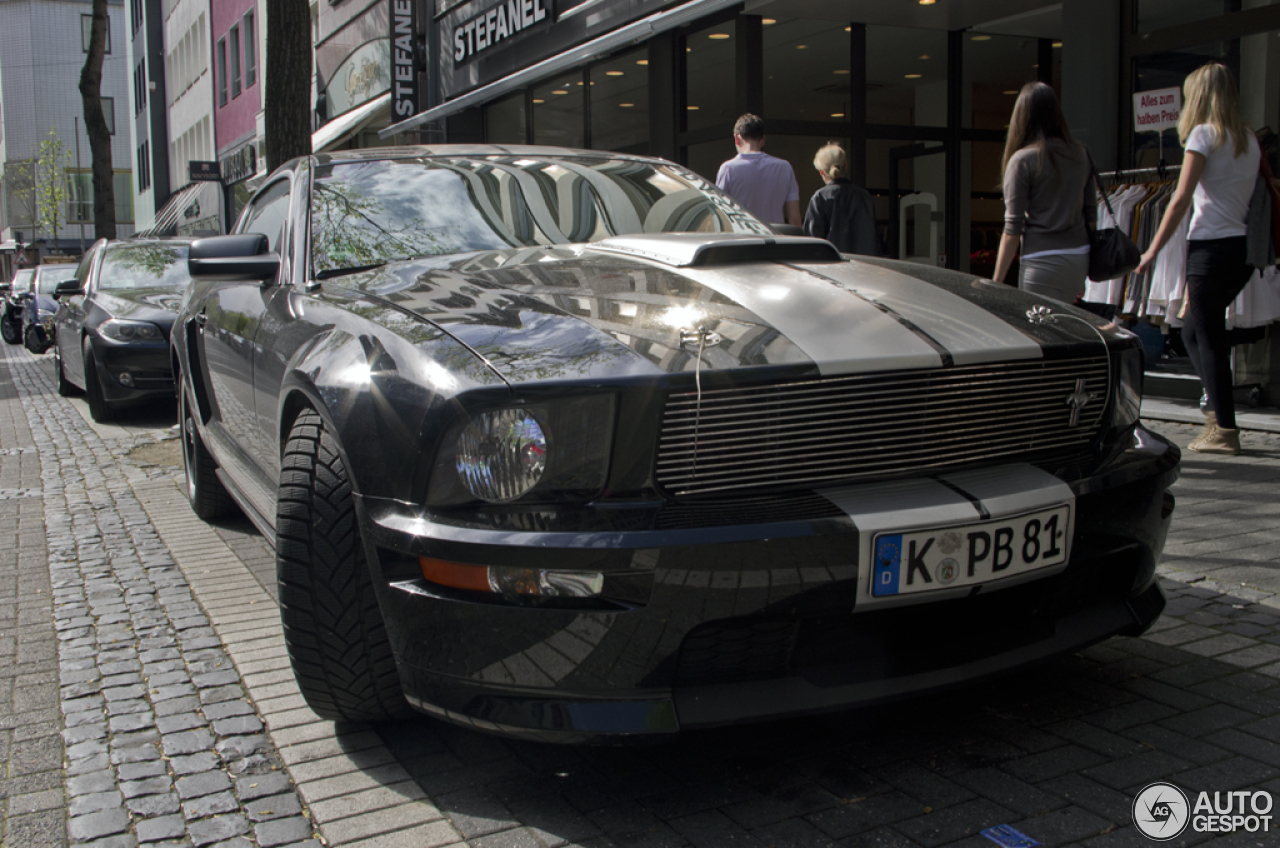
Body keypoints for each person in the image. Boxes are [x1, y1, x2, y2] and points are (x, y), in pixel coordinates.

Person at [1134, 63, 1259, 456]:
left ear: (1199, 97)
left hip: (1210, 248)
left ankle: (1224, 428)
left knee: (1207, 337)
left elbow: (1180, 199)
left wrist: (1152, 249)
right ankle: (1216, 418)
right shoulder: (1248, 140)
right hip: (1240, 250)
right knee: (1193, 331)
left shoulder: (1204, 135)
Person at [992, 82, 1094, 303]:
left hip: (1041, 260)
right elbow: (1091, 214)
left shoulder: (1023, 160)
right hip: (1078, 258)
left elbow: (1012, 229)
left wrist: (996, 282)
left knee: (1038, 331)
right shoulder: (1080, 154)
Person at [715, 114, 801, 227]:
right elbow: (794, 219)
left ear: (737, 138)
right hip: (774, 240)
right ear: (763, 140)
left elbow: (719, 213)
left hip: (743, 239)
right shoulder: (784, 167)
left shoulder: (728, 169)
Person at [803, 143, 881, 255]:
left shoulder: (820, 197)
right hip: (865, 266)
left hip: (833, 266)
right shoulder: (864, 196)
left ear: (821, 172)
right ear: (846, 166)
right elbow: (873, 238)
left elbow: (812, 242)